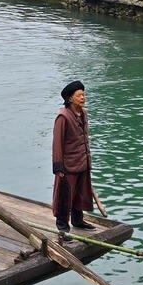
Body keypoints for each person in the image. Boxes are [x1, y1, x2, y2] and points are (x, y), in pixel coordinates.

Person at [52, 80, 95, 233]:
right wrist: (58, 167)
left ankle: (78, 220)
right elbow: (57, 143)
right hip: (68, 165)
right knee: (65, 195)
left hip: (82, 162)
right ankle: (62, 226)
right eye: (79, 95)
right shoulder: (63, 117)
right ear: (70, 98)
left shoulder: (83, 113)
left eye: (83, 95)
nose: (83, 98)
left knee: (80, 193)